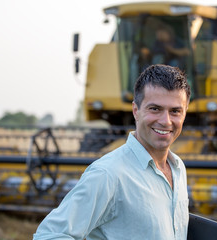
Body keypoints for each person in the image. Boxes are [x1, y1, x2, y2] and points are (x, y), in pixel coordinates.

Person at [33, 64, 191, 240]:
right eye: (155, 109)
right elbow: (49, 235)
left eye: (175, 111)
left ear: (184, 114)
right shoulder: (108, 174)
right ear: (136, 111)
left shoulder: (178, 168)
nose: (166, 121)